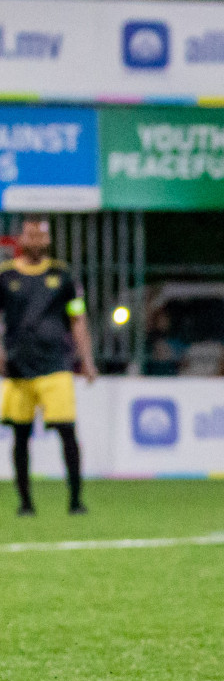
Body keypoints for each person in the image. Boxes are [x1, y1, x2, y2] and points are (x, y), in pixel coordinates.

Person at [0, 217, 96, 516]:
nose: (38, 240)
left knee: (67, 431)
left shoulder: (63, 275)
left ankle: (76, 500)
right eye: (32, 235)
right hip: (18, 368)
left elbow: (77, 318)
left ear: (48, 240)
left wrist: (87, 359)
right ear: (22, 239)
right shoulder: (5, 276)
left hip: (56, 365)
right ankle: (26, 503)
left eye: (43, 235)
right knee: (20, 435)